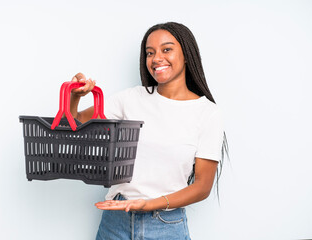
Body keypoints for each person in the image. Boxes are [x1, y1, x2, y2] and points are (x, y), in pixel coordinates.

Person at [69, 22, 226, 240]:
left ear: (187, 55)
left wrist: (150, 204)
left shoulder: (207, 113)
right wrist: (75, 95)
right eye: (149, 53)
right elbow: (74, 123)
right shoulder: (130, 99)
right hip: (115, 223)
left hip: (166, 225)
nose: (156, 58)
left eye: (167, 49)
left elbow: (202, 187)